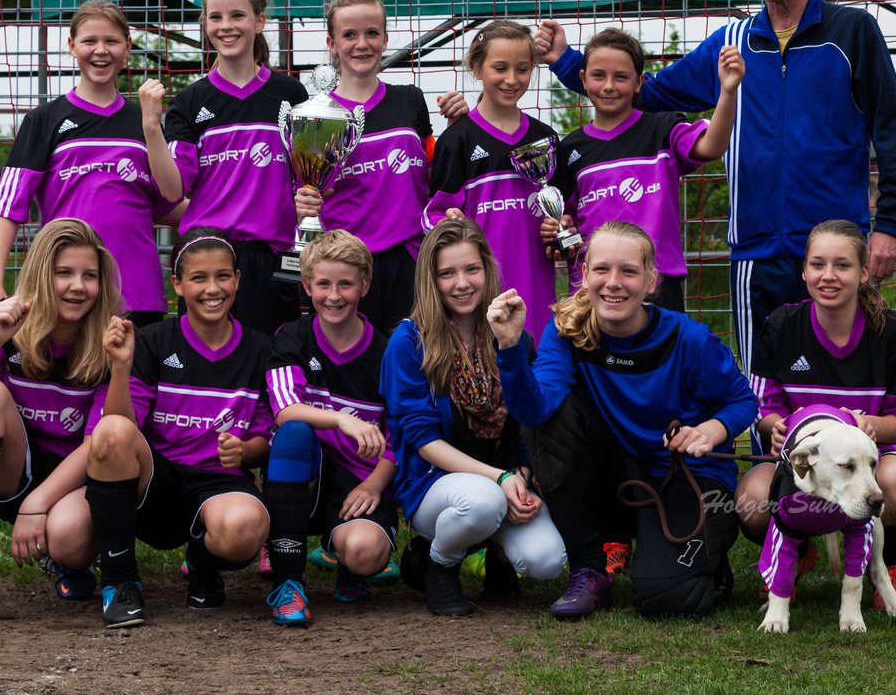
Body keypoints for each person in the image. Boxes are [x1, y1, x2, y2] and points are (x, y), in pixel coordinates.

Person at [536, 0, 896, 380]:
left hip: (835, 248)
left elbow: (891, 129)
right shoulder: (731, 42)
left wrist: (892, 224)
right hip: (756, 249)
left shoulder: (852, 31)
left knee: (848, 373)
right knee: (763, 379)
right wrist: (568, 62)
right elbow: (646, 94)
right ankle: (768, 460)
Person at [490, 221, 757, 620]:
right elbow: (535, 414)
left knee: (664, 600)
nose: (613, 282)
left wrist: (710, 430)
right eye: (602, 269)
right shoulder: (566, 331)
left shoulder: (689, 339)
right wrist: (510, 346)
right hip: (617, 476)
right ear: (584, 274)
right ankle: (589, 569)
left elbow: (743, 401)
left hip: (687, 476)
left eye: (628, 271)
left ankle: (706, 563)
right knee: (557, 416)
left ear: (651, 281)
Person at [0, 218, 120, 626]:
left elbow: (98, 442)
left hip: (74, 480)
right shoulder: (5, 320)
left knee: (69, 539)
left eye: (89, 275)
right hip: (12, 471)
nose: (77, 286)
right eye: (63, 273)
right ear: (39, 273)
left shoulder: (110, 338)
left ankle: (65, 560)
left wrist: (37, 506)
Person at [85, 228, 274, 627]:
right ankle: (120, 581)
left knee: (247, 527)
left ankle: (202, 562)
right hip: (160, 481)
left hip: (219, 484)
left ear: (238, 279)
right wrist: (120, 367)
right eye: (198, 278)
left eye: (223, 276)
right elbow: (122, 427)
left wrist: (245, 452)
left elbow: (263, 438)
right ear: (178, 284)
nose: (212, 289)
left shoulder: (261, 349)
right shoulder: (153, 342)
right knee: (109, 433)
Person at [739, 219, 896, 607]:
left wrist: (869, 425)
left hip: (868, 461)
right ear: (804, 270)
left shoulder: (893, 334)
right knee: (752, 501)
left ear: (862, 273)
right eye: (818, 264)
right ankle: (797, 548)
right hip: (803, 461)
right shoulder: (780, 325)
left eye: (842, 265)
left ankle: (890, 565)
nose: (829, 276)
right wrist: (776, 427)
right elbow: (761, 402)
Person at [381, 218, 566, 616]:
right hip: (439, 486)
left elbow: (527, 420)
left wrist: (521, 477)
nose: (461, 283)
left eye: (471, 270)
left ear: (487, 270)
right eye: (447, 273)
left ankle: (498, 554)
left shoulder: (511, 334)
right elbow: (423, 441)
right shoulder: (410, 341)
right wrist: (498, 480)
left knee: (547, 561)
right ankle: (438, 564)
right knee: (482, 503)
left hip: (504, 477)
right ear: (432, 279)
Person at [0, 0, 181, 326]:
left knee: (132, 378)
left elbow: (166, 201)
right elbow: (8, 207)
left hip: (137, 294)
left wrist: (232, 209)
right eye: (90, 41)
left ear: (127, 47)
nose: (100, 50)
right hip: (65, 294)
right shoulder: (44, 121)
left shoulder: (145, 121)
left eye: (111, 41)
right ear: (72, 46)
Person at [293, 0, 466, 333]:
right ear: (332, 44)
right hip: (346, 267)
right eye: (349, 35)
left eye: (372, 33)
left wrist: (455, 131)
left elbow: (433, 173)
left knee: (412, 364)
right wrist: (302, 202)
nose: (362, 44)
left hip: (409, 261)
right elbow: (303, 191)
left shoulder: (409, 101)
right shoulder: (315, 116)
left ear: (386, 39)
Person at [152, 0, 309, 335]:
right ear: (204, 23)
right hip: (207, 256)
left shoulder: (292, 95)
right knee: (207, 366)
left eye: (237, 15)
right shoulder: (189, 102)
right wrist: (150, 127)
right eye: (216, 17)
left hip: (274, 257)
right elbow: (174, 190)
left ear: (259, 21)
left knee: (271, 361)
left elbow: (310, 178)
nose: (226, 26)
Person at [543, 27, 744, 312]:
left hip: (657, 283)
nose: (609, 85)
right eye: (599, 75)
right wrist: (560, 229)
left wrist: (727, 91)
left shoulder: (662, 128)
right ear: (583, 79)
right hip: (594, 288)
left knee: (663, 356)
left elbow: (711, 146)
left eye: (621, 77)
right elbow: (567, 222)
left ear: (639, 82)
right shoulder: (570, 150)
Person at [263, 230, 397, 626]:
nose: (333, 295)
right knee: (293, 433)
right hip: (306, 472)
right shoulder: (292, 338)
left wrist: (375, 484)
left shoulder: (389, 351)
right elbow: (286, 409)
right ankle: (289, 581)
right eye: (323, 284)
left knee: (365, 552)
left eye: (345, 284)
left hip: (360, 478)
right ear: (307, 286)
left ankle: (345, 561)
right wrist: (342, 419)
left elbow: (403, 434)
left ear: (365, 285)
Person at [424, 21, 560, 342]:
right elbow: (433, 216)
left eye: (523, 69)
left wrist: (561, 229)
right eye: (500, 68)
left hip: (536, 291)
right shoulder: (456, 140)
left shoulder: (547, 139)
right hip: (476, 297)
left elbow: (562, 219)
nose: (512, 79)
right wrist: (447, 222)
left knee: (532, 372)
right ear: (477, 68)